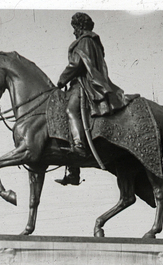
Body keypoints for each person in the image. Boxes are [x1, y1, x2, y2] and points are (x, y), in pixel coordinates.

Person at [55, 12, 130, 186]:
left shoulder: (85, 41)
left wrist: (61, 81)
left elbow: (76, 64)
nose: (73, 32)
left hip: (85, 85)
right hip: (83, 83)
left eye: (74, 28)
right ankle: (73, 170)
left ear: (80, 27)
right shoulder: (92, 41)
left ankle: (79, 145)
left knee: (69, 110)